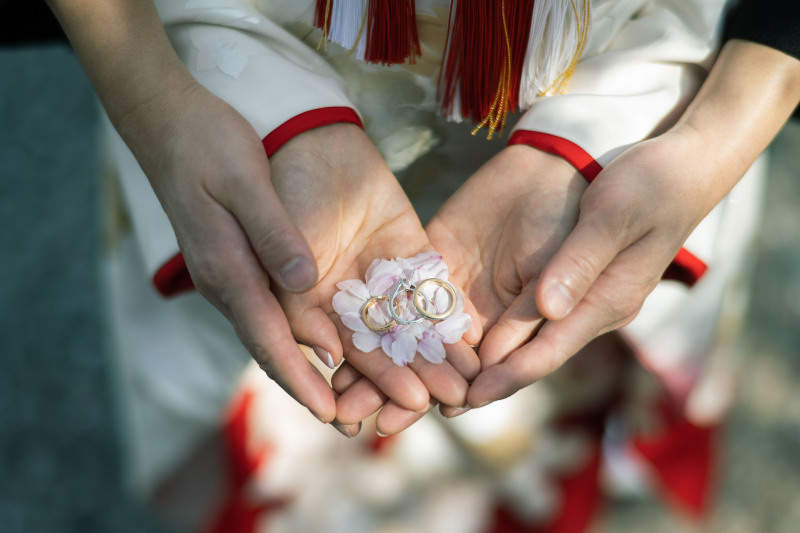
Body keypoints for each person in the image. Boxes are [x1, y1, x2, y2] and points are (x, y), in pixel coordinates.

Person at [39, 0, 798, 531]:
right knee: (282, 403)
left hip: (620, 94)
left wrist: (711, 139)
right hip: (240, 87)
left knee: (539, 400)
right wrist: (149, 95)